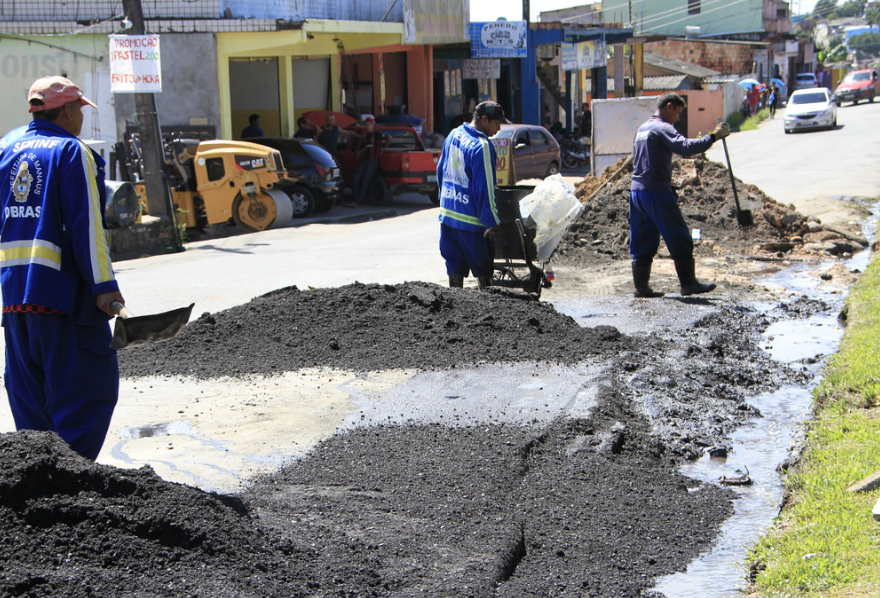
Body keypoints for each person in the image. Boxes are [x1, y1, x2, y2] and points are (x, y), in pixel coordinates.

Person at [0, 76, 125, 460]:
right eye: (81, 111)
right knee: (89, 389)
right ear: (69, 111)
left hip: (14, 301)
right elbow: (87, 226)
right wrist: (104, 285)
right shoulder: (71, 152)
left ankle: (38, 484)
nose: (82, 119)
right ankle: (72, 480)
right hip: (61, 300)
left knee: (31, 401)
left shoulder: (6, 148)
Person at [629, 92, 729, 298]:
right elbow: (685, 148)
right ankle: (688, 283)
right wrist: (713, 137)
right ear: (669, 107)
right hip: (656, 191)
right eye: (678, 113)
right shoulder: (662, 128)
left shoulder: (643, 129)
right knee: (679, 236)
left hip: (637, 192)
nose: (678, 119)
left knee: (642, 240)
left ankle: (641, 288)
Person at [436, 100, 508, 290]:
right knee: (483, 270)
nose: (499, 128)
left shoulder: (454, 134)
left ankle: (454, 309)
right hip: (471, 223)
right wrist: (492, 221)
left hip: (449, 218)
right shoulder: (481, 146)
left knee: (454, 268)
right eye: (497, 123)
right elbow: (485, 188)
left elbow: (440, 171)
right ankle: (486, 310)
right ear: (484, 119)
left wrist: (444, 201)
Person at [344, 117, 391, 208]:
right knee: (357, 177)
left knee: (366, 179)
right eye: (367, 125)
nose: (368, 126)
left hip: (373, 160)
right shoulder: (367, 136)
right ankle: (355, 198)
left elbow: (389, 138)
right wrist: (360, 152)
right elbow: (368, 146)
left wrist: (383, 150)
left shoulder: (377, 134)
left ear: (373, 125)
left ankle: (358, 201)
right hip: (366, 159)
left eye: (370, 124)